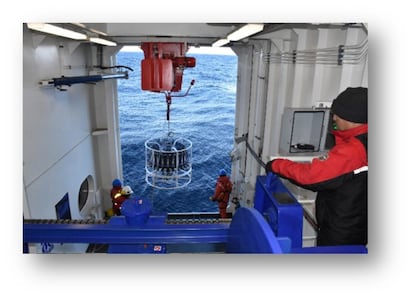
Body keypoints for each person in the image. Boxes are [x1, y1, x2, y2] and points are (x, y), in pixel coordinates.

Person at [265, 87, 368, 247]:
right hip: (359, 225)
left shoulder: (353, 150)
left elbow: (310, 176)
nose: (333, 118)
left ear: (353, 118)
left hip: (341, 232)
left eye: (337, 115)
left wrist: (277, 165)